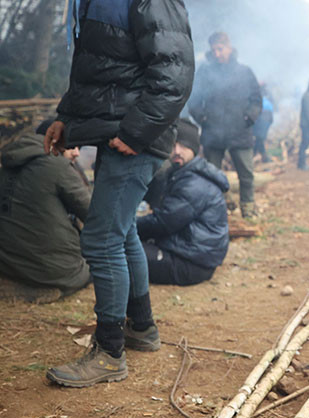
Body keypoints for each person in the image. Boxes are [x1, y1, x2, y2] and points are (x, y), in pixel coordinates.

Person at [43, 0, 194, 387]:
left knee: (101, 237)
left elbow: (174, 74)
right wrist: (66, 118)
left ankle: (109, 353)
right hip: (114, 132)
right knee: (122, 231)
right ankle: (140, 327)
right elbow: (95, 70)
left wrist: (135, 131)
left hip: (135, 138)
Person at [0, 123, 90, 300]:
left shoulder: (6, 168)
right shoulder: (58, 167)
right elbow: (93, 213)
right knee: (98, 265)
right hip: (53, 270)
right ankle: (47, 290)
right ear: (53, 140)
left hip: (8, 265)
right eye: (71, 146)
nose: (77, 153)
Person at [137, 119, 229, 286]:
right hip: (191, 255)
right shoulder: (180, 173)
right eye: (173, 145)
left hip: (191, 264)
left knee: (123, 252)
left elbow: (163, 223)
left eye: (184, 146)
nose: (177, 151)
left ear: (194, 149)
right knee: (128, 246)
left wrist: (126, 229)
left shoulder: (194, 183)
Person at [188, 31, 262, 219]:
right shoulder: (205, 72)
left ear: (229, 48)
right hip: (213, 132)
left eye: (220, 49)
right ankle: (218, 208)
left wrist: (249, 118)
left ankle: (248, 210)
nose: (217, 54)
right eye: (214, 50)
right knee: (212, 174)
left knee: (246, 175)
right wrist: (202, 118)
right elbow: (194, 99)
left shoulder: (245, 72)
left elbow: (257, 100)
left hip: (240, 131)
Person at [253, 91, 274, 164]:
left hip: (262, 122)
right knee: (260, 139)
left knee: (259, 139)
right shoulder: (268, 103)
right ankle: (262, 157)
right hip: (266, 122)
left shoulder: (259, 102)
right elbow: (271, 119)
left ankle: (259, 156)